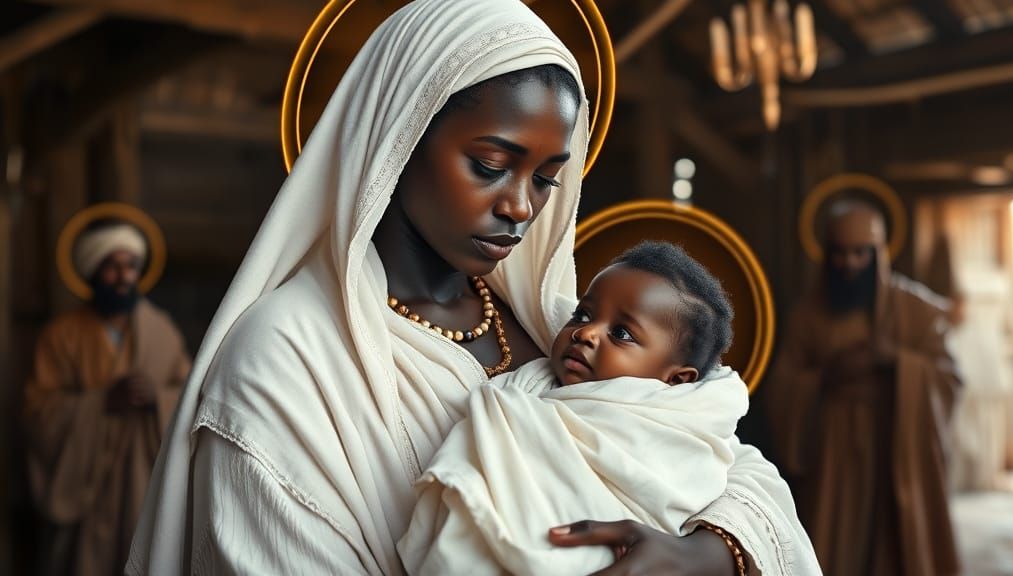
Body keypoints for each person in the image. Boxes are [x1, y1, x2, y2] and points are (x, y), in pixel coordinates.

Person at [128, 1, 818, 574]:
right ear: (395, 140)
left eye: (547, 178)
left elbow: (726, 459)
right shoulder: (288, 360)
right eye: (491, 164)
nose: (521, 205)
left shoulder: (548, 318)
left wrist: (703, 553)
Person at [398, 241, 754, 574]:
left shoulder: (675, 422)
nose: (586, 333)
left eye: (622, 333)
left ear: (675, 380)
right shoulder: (527, 386)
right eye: (583, 314)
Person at [765, 200, 961, 576]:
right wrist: (824, 377)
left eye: (860, 253)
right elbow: (783, 385)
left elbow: (949, 375)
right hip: (833, 447)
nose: (849, 264)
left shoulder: (916, 310)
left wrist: (895, 361)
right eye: (840, 253)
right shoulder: (808, 315)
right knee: (833, 538)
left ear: (879, 253)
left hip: (895, 441)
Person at [23, 221, 191, 576]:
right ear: (93, 271)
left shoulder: (161, 330)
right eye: (112, 266)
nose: (123, 275)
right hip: (85, 489)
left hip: (142, 486)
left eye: (130, 265)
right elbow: (38, 412)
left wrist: (157, 399)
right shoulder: (61, 335)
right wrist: (99, 403)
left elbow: (191, 398)